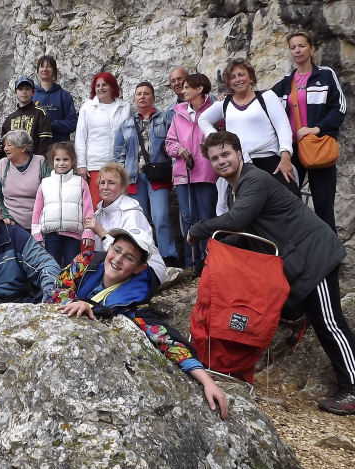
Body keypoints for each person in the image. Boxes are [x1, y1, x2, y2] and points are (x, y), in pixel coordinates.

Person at [189, 131, 355, 416]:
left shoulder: (254, 180)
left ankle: (354, 391)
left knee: (330, 323)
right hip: (301, 263)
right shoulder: (242, 187)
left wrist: (197, 231)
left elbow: (235, 221)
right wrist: (217, 246)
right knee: (322, 323)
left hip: (314, 256)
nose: (221, 161)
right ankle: (349, 387)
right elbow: (245, 233)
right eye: (214, 158)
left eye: (226, 154)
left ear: (239, 153)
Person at [47, 227, 228, 420]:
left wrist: (207, 381)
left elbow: (164, 338)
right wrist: (73, 303)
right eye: (116, 250)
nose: (117, 259)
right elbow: (57, 290)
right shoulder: (86, 261)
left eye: (129, 258)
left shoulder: (134, 302)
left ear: (140, 268)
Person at [271, 30, 346, 233]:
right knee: (288, 204)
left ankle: (331, 263)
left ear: (312, 49)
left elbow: (339, 107)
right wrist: (232, 97)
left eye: (302, 45)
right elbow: (261, 100)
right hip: (293, 151)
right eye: (293, 47)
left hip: (318, 147)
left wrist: (317, 128)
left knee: (324, 208)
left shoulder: (326, 75)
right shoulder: (285, 83)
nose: (297, 50)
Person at [198, 58, 299, 197]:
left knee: (290, 200)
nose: (238, 79)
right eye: (233, 77)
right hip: (242, 164)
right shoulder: (225, 103)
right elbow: (203, 119)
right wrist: (217, 140)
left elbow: (283, 126)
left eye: (241, 74)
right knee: (250, 208)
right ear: (229, 83)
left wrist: (286, 157)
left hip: (270, 160)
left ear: (251, 77)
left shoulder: (267, 97)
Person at [114, 82, 178, 265]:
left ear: (153, 97)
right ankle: (143, 258)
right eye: (139, 94)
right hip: (134, 177)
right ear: (134, 98)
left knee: (161, 218)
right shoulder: (126, 124)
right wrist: (120, 180)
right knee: (139, 221)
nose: (142, 97)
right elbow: (119, 154)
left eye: (146, 94)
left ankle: (169, 257)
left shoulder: (165, 119)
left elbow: (173, 144)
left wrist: (174, 169)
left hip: (159, 176)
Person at [165, 74, 219, 276]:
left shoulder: (214, 110)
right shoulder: (178, 114)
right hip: (183, 174)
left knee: (206, 217)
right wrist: (179, 149)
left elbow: (222, 134)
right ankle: (191, 263)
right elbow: (169, 143)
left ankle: (208, 261)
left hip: (206, 172)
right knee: (187, 219)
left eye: (188, 87)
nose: (183, 90)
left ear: (200, 89)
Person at [83, 163, 165, 287]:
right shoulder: (98, 214)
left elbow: (130, 252)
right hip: (118, 267)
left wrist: (100, 231)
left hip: (144, 268)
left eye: (111, 183)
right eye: (102, 183)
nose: (105, 187)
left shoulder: (131, 211)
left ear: (122, 188)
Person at [31, 142, 94, 268]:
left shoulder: (80, 183)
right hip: (51, 235)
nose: (61, 163)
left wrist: (88, 231)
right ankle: (51, 288)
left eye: (65, 159)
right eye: (57, 159)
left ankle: (71, 288)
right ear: (52, 161)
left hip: (73, 236)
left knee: (72, 268)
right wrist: (36, 234)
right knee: (51, 266)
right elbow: (37, 211)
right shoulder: (45, 183)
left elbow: (88, 209)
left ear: (73, 161)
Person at [75, 72, 130, 208]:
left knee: (118, 205)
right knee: (96, 205)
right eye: (97, 85)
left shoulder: (124, 107)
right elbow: (80, 137)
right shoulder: (87, 108)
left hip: (119, 164)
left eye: (104, 84)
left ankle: (116, 230)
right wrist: (81, 164)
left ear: (112, 87)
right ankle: (95, 230)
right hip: (95, 164)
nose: (100, 88)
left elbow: (129, 136)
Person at [0, 129, 51, 231]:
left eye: (9, 145)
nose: (5, 148)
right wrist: (5, 216)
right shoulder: (3, 163)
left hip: (38, 224)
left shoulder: (40, 161)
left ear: (23, 148)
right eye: (5, 145)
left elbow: (50, 195)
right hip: (10, 224)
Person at [0, 76, 52, 160]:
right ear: (15, 93)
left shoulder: (40, 113)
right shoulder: (10, 118)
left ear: (33, 92)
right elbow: (5, 145)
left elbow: (45, 143)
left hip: (33, 163)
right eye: (20, 89)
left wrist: (38, 162)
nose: (24, 92)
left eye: (27, 89)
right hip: (13, 164)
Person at [33, 55, 77, 143]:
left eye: (48, 66)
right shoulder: (32, 95)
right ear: (38, 71)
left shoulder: (64, 95)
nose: (45, 69)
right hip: (36, 148)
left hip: (59, 148)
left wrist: (52, 125)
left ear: (54, 71)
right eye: (42, 66)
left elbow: (72, 123)